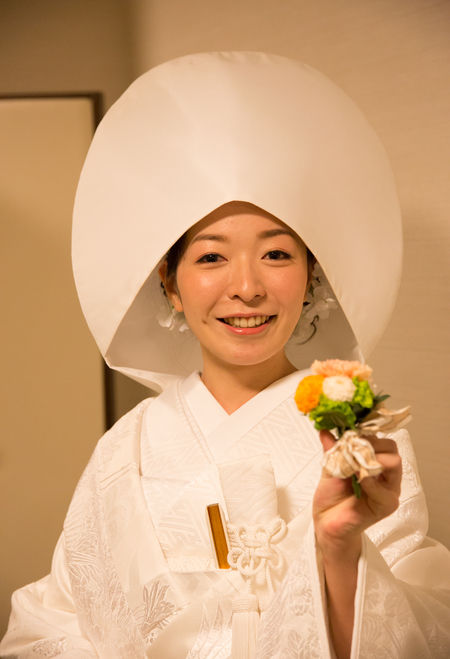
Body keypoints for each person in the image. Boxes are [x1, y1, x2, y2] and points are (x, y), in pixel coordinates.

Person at [2, 52, 450, 659]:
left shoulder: (358, 440)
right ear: (170, 283)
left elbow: (421, 631)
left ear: (312, 276)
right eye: (211, 257)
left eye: (277, 254)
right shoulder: (125, 450)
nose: (247, 287)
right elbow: (52, 624)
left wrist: (341, 550)